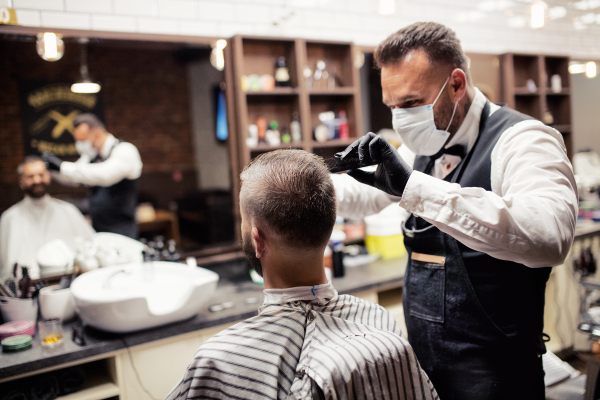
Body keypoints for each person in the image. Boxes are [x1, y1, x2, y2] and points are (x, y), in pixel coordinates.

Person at [333, 22, 578, 400]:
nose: (400, 117)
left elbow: (549, 234)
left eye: (411, 103)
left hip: (499, 376)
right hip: (427, 364)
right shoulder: (425, 147)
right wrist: (304, 184)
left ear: (457, 84)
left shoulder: (524, 139)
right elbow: (366, 195)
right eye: (392, 106)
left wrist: (416, 189)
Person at [166, 149, 437, 400]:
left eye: (243, 220)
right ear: (330, 227)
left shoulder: (218, 360)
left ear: (257, 240)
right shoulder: (380, 322)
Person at [42, 114, 142, 238]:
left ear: (97, 135)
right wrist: (51, 170)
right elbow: (74, 178)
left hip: (122, 229)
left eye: (83, 140)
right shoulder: (90, 156)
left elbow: (104, 175)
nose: (79, 145)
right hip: (98, 228)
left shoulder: (125, 151)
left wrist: (62, 166)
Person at [0, 156, 95, 279]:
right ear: (21, 182)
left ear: (48, 176)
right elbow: (4, 264)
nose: (37, 180)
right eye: (30, 176)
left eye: (41, 174)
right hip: (26, 289)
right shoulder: (9, 218)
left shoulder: (68, 210)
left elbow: (90, 247)